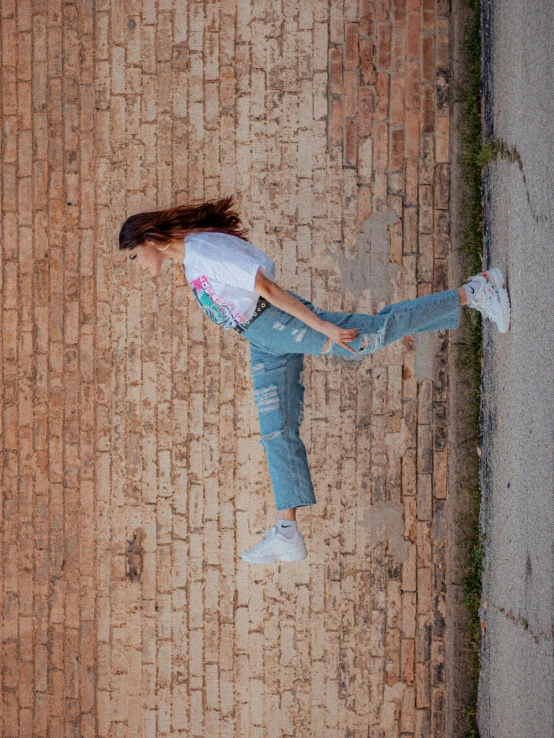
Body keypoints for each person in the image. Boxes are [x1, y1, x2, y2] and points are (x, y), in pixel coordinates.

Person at [119, 196, 511, 565]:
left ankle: (475, 292)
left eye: (135, 256)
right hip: (262, 337)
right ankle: (287, 532)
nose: (137, 265)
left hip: (277, 323)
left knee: (368, 337)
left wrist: (321, 326)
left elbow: (267, 289)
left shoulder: (205, 253)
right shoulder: (191, 261)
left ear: (151, 240)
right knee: (276, 430)